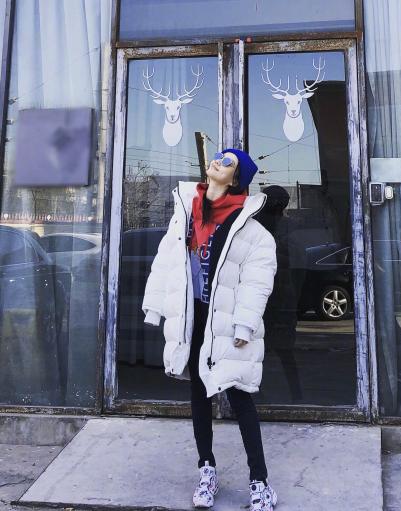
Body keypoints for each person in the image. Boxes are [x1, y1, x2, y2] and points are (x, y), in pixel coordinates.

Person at [142, 149, 278, 510]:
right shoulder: (187, 212)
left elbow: (256, 282)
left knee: (239, 396)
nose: (218, 161)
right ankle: (206, 470)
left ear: (236, 179)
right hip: (195, 319)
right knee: (199, 394)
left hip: (229, 324)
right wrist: (155, 306)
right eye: (218, 156)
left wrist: (245, 324)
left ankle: (260, 481)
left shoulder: (251, 230)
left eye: (228, 162)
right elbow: (166, 261)